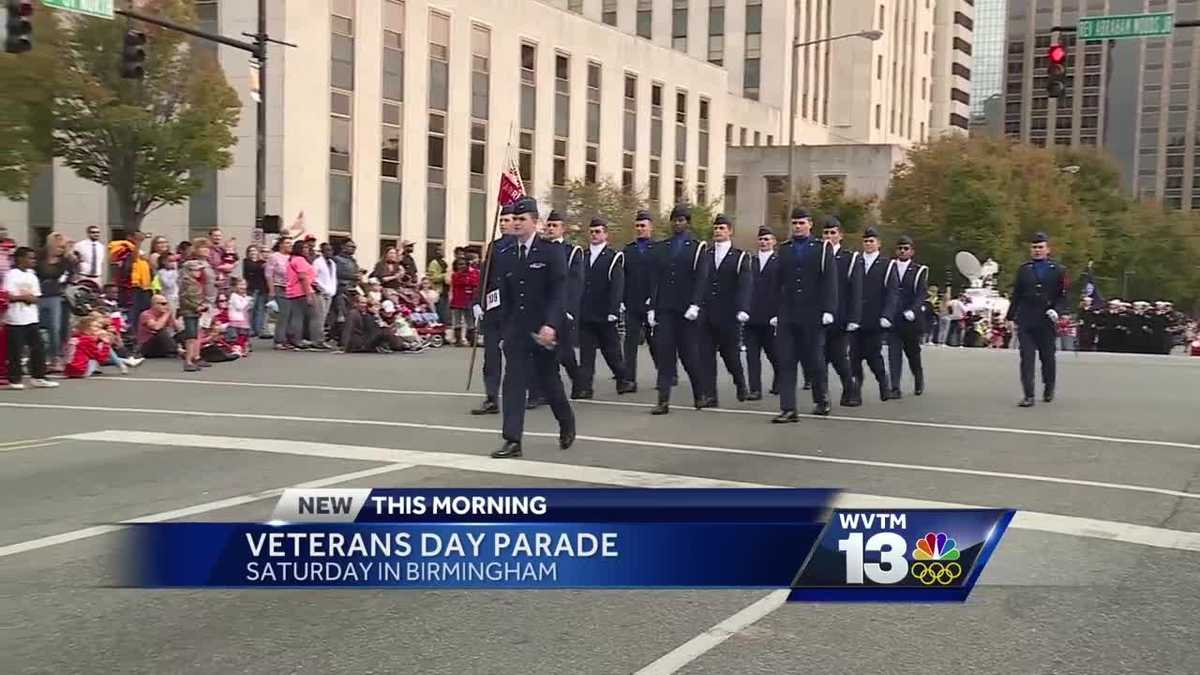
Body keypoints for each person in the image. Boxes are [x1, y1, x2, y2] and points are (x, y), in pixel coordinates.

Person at [490, 197, 575, 459]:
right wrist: (502, 331)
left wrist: (551, 325)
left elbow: (559, 292)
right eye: (513, 219)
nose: (516, 223)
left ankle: (566, 421)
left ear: (535, 222)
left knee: (549, 382)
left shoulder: (550, 251)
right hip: (516, 330)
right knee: (513, 383)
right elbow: (503, 295)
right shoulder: (505, 254)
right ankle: (512, 440)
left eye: (521, 219)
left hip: (543, 330)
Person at [771, 208, 837, 422]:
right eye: (794, 223)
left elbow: (829, 280)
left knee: (815, 360)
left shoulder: (822, 248)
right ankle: (788, 409)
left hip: (812, 313)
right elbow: (777, 282)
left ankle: (821, 398)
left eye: (801, 223)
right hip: (788, 313)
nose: (797, 227)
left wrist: (828, 309)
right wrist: (774, 311)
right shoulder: (785, 249)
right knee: (786, 360)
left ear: (810, 224)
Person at [646, 205, 711, 415]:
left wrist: (696, 304)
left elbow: (702, 278)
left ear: (688, 222)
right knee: (665, 354)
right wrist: (652, 307)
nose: (677, 223)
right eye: (674, 219)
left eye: (681, 220)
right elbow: (654, 279)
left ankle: (700, 394)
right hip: (665, 308)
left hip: (686, 310)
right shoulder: (662, 247)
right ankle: (663, 400)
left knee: (689, 355)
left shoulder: (697, 247)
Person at [1007, 232, 1068, 407]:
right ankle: (1029, 394)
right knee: (1026, 358)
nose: (1037, 250)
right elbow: (1016, 294)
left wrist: (1057, 310)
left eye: (1040, 247)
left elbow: (1062, 296)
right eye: (1034, 247)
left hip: (1046, 320)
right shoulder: (1024, 269)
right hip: (1026, 319)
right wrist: (1010, 317)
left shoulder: (1058, 270)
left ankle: (1049, 387)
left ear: (1048, 249)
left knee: (1047, 358)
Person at [697, 214, 752, 406]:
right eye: (716, 228)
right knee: (705, 356)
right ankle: (710, 395)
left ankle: (741, 383)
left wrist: (743, 308)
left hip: (729, 314)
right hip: (707, 313)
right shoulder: (706, 254)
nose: (718, 231)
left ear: (730, 231)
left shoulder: (740, 257)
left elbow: (745, 284)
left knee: (731, 356)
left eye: (722, 228)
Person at [575, 216, 631, 399]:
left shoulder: (614, 257)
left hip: (605, 312)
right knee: (586, 354)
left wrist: (613, 311)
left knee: (611, 351)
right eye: (591, 232)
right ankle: (585, 388)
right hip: (585, 312)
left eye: (598, 231)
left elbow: (617, 285)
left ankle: (623, 379)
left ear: (606, 234)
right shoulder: (582, 255)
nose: (594, 235)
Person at [471, 204, 516, 415]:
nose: (503, 224)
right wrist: (477, 301)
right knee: (491, 355)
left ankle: (529, 392)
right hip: (493, 308)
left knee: (517, 356)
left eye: (507, 220)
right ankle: (491, 397)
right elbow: (485, 276)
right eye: (501, 221)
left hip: (514, 309)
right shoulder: (494, 246)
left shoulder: (520, 245)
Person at [849, 227, 896, 402]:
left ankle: (884, 385)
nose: (868, 244)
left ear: (878, 243)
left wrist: (887, 315)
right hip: (856, 318)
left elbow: (892, 293)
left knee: (873, 356)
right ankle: (855, 392)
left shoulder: (887, 264)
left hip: (875, 319)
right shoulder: (856, 261)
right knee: (854, 357)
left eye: (871, 241)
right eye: (866, 241)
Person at [821, 217, 863, 407]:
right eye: (826, 233)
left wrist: (854, 317)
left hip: (840, 316)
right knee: (818, 358)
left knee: (839, 358)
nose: (829, 237)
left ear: (841, 235)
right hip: (819, 316)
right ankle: (822, 396)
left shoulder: (849, 258)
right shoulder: (818, 255)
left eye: (833, 233)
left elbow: (855, 290)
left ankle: (851, 388)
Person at [5, 247, 59, 389]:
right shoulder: (11, 275)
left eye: (34, 258)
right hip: (15, 318)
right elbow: (7, 295)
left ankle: (38, 376)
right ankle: (15, 379)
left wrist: (31, 298)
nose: (33, 261)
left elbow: (37, 296)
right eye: (30, 258)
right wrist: (23, 297)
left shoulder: (32, 276)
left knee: (38, 348)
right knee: (15, 350)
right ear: (20, 259)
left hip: (31, 318)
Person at [543, 211, 584, 401]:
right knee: (542, 351)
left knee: (565, 352)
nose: (550, 229)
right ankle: (543, 392)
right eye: (548, 225)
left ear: (562, 229)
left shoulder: (572, 252)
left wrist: (568, 309)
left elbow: (574, 284)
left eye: (554, 226)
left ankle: (578, 381)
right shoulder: (540, 249)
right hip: (543, 308)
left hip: (562, 309)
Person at [886, 235, 928, 398]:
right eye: (900, 248)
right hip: (894, 318)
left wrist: (913, 310)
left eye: (906, 248)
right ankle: (895, 387)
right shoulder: (891, 267)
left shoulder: (919, 270)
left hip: (911, 320)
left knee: (912, 353)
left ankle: (918, 378)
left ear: (912, 251)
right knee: (893, 354)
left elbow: (921, 294)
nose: (902, 251)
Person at [621, 210, 658, 392]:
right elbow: (623, 276)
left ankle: (665, 374)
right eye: (637, 225)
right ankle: (629, 380)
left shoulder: (658, 249)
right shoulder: (629, 250)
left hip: (652, 302)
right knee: (630, 342)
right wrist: (621, 299)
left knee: (655, 341)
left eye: (643, 225)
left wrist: (656, 298)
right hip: (632, 302)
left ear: (650, 227)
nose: (640, 229)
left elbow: (661, 277)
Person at [744, 226, 779, 400]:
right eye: (761, 239)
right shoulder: (751, 261)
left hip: (770, 317)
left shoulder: (778, 261)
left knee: (774, 353)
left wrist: (779, 313)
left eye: (767, 239)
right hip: (751, 316)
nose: (764, 242)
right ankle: (755, 389)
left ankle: (779, 379)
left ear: (774, 241)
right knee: (752, 356)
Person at [36, 233, 74, 372]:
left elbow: (69, 276)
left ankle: (55, 358)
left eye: (63, 247)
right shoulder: (39, 257)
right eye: (59, 246)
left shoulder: (65, 261)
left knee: (54, 328)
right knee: (35, 327)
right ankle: (37, 358)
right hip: (38, 296)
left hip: (55, 297)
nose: (61, 249)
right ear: (51, 244)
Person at [179, 237, 216, 372]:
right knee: (193, 333)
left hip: (207, 298)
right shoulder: (189, 267)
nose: (206, 250)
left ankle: (196, 355)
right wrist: (199, 304)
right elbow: (186, 292)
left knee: (201, 330)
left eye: (207, 248)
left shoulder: (208, 264)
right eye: (202, 247)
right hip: (197, 302)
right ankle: (192, 357)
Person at [285, 240, 316, 350]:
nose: (308, 250)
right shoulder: (300, 260)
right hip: (301, 291)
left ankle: (295, 339)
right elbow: (303, 278)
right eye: (305, 248)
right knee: (302, 317)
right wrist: (308, 295)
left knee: (296, 316)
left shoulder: (292, 259)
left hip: (293, 291)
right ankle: (300, 340)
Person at [266, 235, 292, 349]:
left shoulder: (292, 257)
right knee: (283, 314)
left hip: (291, 288)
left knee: (291, 314)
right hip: (279, 287)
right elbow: (268, 274)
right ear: (281, 244)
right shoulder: (274, 256)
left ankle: (288, 338)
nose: (290, 245)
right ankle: (279, 340)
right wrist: (271, 291)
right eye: (287, 243)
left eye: (291, 243)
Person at [311, 242, 338, 348]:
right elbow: (313, 277)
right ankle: (316, 340)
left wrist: (333, 290)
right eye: (326, 250)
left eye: (331, 250)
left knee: (324, 317)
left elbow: (333, 278)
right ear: (322, 252)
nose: (329, 252)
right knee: (318, 317)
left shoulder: (332, 263)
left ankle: (320, 340)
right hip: (320, 293)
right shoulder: (317, 262)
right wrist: (319, 289)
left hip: (330, 293)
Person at [449, 258, 479, 346]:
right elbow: (461, 282)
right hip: (457, 301)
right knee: (457, 321)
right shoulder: (455, 275)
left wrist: (469, 279)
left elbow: (475, 283)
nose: (462, 266)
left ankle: (472, 339)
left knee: (470, 320)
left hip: (468, 300)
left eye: (464, 264)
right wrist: (468, 280)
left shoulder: (472, 274)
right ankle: (458, 340)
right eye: (460, 264)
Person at [426, 245, 449, 325]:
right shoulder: (434, 263)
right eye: (439, 250)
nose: (442, 252)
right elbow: (432, 277)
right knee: (440, 312)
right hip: (438, 291)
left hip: (445, 291)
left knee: (445, 312)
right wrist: (444, 275)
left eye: (442, 250)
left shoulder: (444, 263)